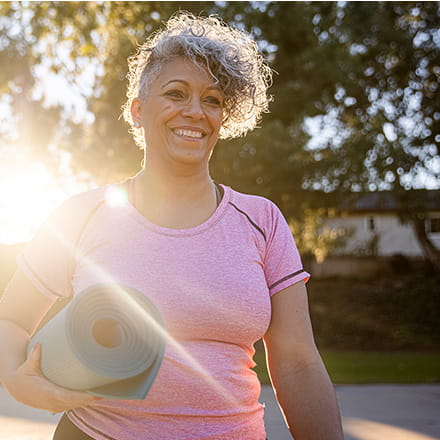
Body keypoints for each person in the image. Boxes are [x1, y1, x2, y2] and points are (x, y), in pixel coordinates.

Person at [0, 12, 344, 440]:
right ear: (138, 110)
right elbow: (10, 320)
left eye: (213, 100)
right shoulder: (80, 213)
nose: (195, 111)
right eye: (176, 93)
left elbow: (298, 362)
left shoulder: (262, 220)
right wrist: (15, 378)